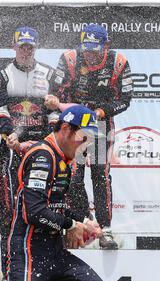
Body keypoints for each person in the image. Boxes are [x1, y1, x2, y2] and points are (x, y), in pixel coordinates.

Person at [7, 105, 116, 281]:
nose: (85, 146)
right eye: (83, 139)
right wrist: (72, 226)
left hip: (55, 252)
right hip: (29, 253)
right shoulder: (43, 156)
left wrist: (84, 220)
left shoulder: (63, 159)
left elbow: (55, 205)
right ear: (65, 129)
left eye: (89, 141)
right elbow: (34, 212)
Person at [48, 24, 133, 249]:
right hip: (75, 126)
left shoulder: (119, 62)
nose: (89, 55)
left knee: (100, 175)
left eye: (94, 51)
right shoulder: (68, 59)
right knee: (73, 177)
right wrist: (58, 107)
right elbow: (55, 92)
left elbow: (125, 99)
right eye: (86, 49)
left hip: (100, 125)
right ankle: (86, 223)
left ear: (106, 46)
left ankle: (106, 230)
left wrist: (100, 112)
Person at [0, 26, 60, 278]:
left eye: (30, 47)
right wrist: (9, 134)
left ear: (35, 48)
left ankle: (45, 265)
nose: (25, 51)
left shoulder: (49, 73)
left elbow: (56, 113)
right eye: (21, 46)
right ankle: (11, 267)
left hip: (42, 149)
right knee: (12, 206)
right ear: (13, 46)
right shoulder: (1, 75)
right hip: (13, 148)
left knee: (43, 204)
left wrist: (48, 142)